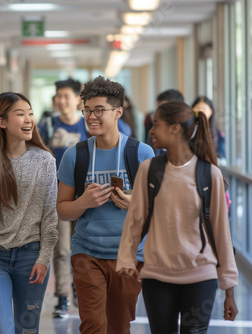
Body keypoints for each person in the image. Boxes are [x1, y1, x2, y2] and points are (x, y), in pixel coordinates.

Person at [116, 101, 239, 333]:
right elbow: (135, 222)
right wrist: (125, 260)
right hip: (157, 277)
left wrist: (229, 290)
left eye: (157, 125)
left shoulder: (209, 174)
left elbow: (222, 233)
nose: (151, 131)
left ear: (175, 128)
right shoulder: (149, 170)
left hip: (201, 277)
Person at [56, 76, 154, 333]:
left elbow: (157, 208)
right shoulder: (75, 155)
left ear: (118, 112)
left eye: (99, 110)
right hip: (87, 252)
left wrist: (134, 203)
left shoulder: (141, 153)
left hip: (130, 257)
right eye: (87, 110)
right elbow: (63, 210)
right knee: (94, 325)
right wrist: (83, 203)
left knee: (119, 327)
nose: (91, 116)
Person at [0, 92, 58, 334]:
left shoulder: (45, 160)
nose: (29, 120)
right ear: (1, 122)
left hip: (31, 257)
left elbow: (50, 215)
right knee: (2, 330)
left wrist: (44, 258)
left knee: (27, 330)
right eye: (20, 114)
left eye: (30, 113)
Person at [38, 78, 88, 318]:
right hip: (57, 196)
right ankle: (63, 297)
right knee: (61, 249)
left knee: (84, 248)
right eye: (58, 96)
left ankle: (79, 289)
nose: (61, 101)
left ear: (78, 99)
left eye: (66, 96)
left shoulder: (88, 125)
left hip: (87, 196)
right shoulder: (48, 124)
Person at [144, 89, 184, 153]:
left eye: (164, 110)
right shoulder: (153, 135)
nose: (159, 113)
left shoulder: (187, 138)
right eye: (158, 109)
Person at [192, 96, 227, 166]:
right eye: (198, 108)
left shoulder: (217, 134)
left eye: (204, 109)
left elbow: (222, 158)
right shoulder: (187, 129)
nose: (200, 111)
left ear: (211, 111)